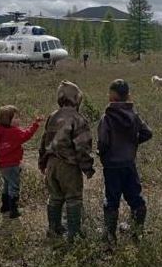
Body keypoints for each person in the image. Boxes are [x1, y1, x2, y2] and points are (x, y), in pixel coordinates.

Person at [97, 79, 152, 246]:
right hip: (129, 163)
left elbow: (103, 142)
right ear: (127, 95)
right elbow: (147, 133)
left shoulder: (107, 118)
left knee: (111, 200)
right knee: (136, 198)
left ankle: (110, 237)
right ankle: (136, 232)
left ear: (111, 97)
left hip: (112, 166)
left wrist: (103, 155)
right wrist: (132, 143)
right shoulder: (134, 115)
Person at [38, 80, 95, 243]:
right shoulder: (78, 118)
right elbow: (82, 146)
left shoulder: (52, 116)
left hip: (51, 163)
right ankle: (74, 234)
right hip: (68, 165)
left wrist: (42, 161)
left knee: (55, 197)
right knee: (73, 198)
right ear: (77, 99)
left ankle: (53, 229)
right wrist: (87, 167)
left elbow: (44, 139)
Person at [0, 105, 43, 219]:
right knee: (14, 186)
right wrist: (35, 124)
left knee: (7, 184)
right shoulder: (14, 132)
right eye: (15, 118)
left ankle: (5, 206)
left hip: (2, 164)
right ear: (7, 120)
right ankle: (13, 210)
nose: (18, 120)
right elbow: (27, 135)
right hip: (12, 164)